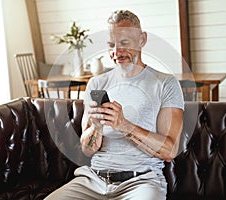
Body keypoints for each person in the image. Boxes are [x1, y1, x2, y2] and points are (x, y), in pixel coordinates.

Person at [45, 9, 184, 200]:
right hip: (93, 181)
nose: (116, 52)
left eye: (124, 43)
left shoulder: (165, 83)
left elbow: (170, 151)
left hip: (141, 183)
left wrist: (123, 125)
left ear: (142, 39)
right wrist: (96, 126)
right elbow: (87, 149)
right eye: (111, 45)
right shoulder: (97, 84)